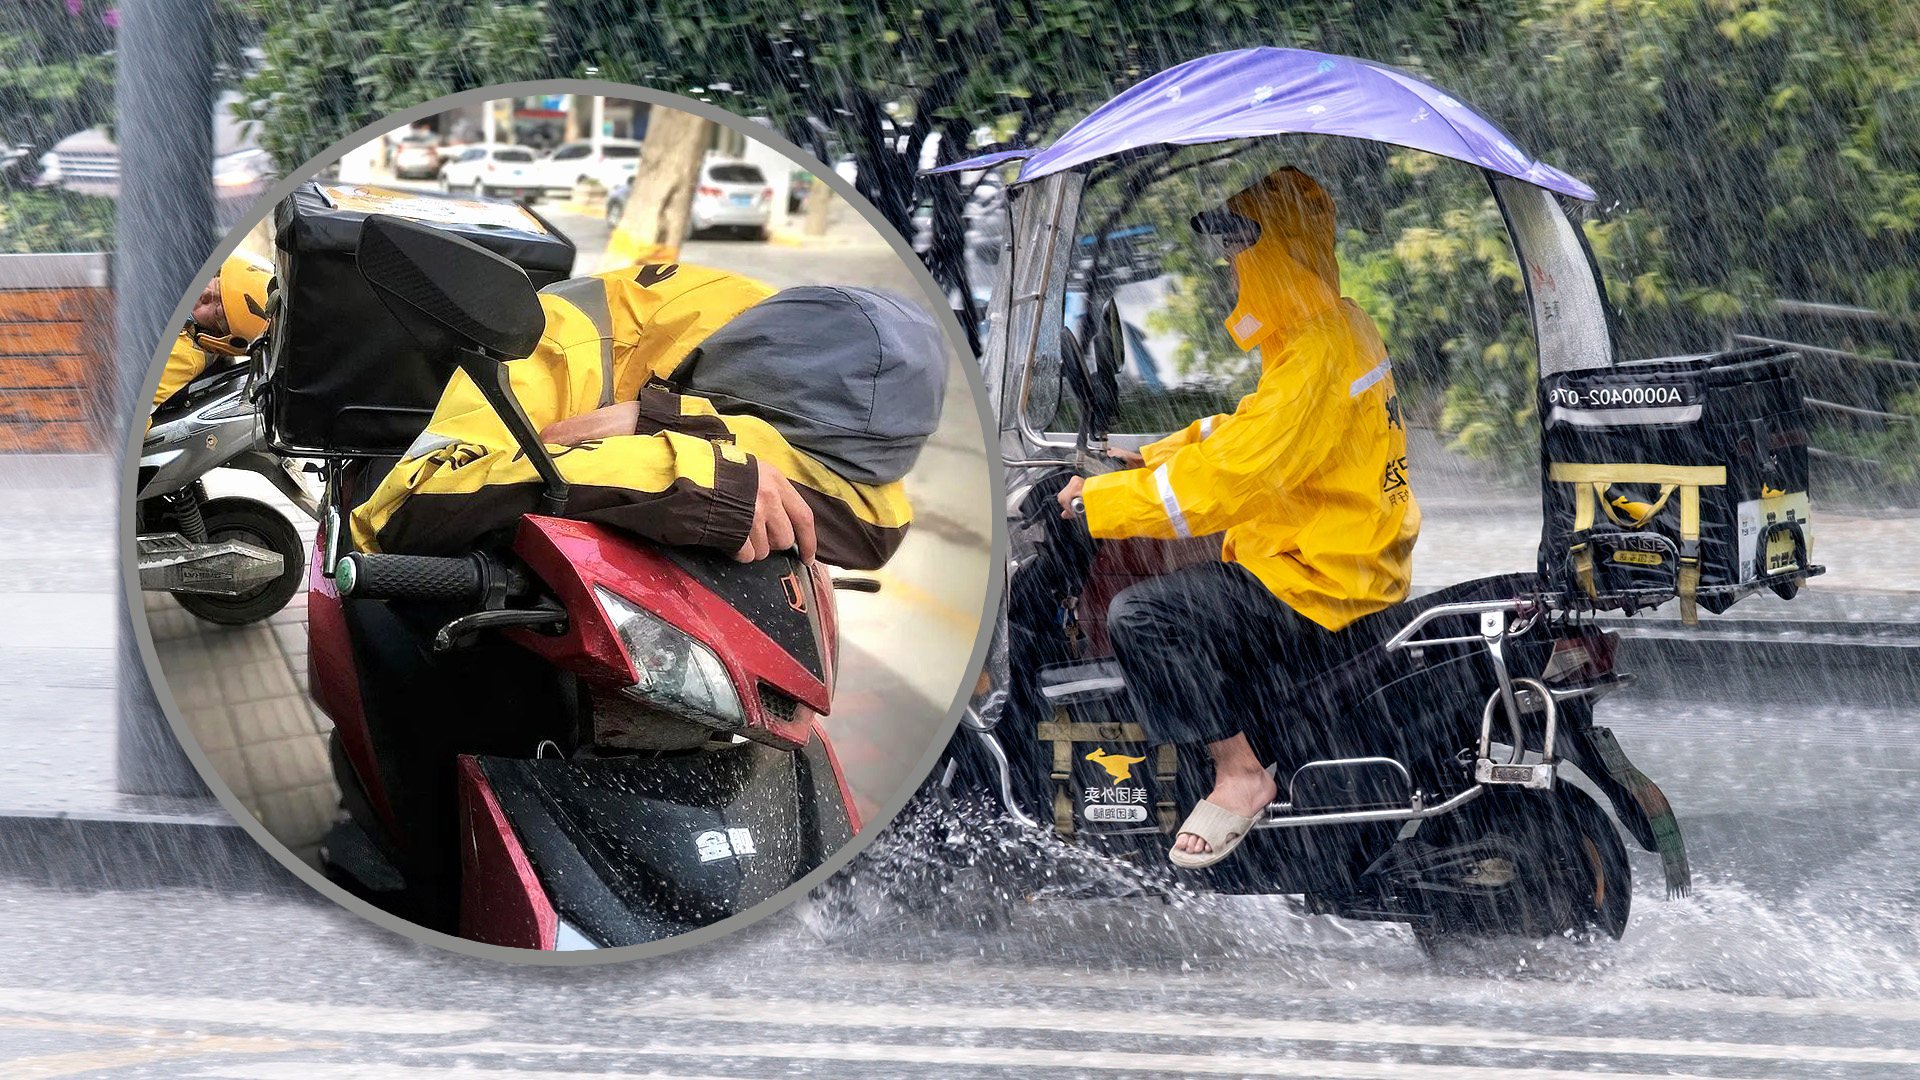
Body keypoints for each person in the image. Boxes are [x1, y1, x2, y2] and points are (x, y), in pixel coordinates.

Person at [1056, 166, 1420, 869]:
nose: (1229, 268)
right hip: (1341, 555)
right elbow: (1251, 429)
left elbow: (1241, 476)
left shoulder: (1317, 352)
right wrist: (1151, 452)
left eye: (1239, 253)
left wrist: (1101, 503)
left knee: (1145, 617)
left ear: (1276, 256)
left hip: (1318, 577)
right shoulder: (1332, 329)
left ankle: (1241, 774)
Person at [349, 263, 945, 571]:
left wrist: (659, 421)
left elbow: (877, 526)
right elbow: (403, 511)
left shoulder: (805, 347)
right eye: (743, 440)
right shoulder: (557, 344)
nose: (784, 484)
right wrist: (696, 471)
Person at [150, 253, 272, 418]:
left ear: (219, 337)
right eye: (217, 284)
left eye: (217, 311)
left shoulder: (180, 359)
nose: (204, 294)